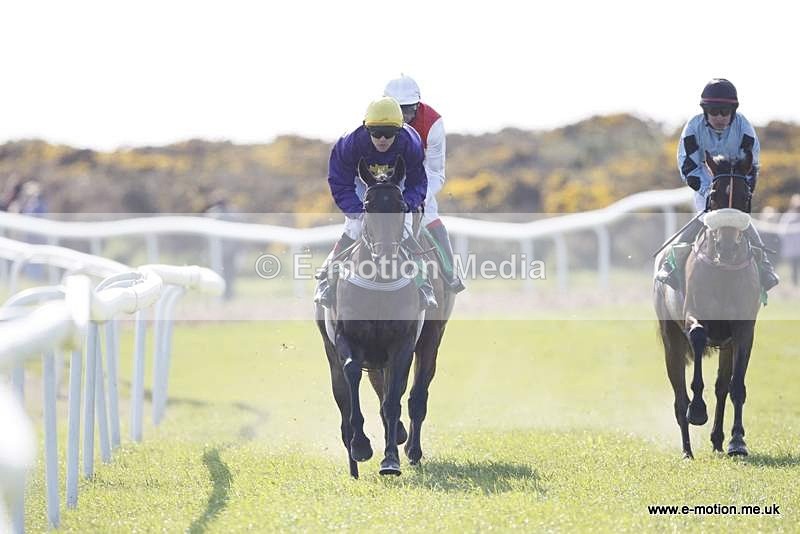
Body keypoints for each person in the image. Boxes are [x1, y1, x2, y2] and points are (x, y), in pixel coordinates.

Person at [314, 96, 437, 310]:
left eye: (389, 133)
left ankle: (423, 284)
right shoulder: (349, 144)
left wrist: (406, 204)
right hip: (362, 184)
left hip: (397, 186)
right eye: (375, 132)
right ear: (366, 129)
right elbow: (340, 182)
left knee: (406, 229)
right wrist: (357, 211)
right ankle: (327, 278)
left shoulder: (411, 142)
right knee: (353, 227)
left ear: (399, 131)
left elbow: (417, 181)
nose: (382, 139)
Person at [656, 78, 779, 291]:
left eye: (725, 111)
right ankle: (671, 264)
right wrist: (710, 190)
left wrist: (742, 191)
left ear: (733, 111)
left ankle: (765, 267)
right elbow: (687, 165)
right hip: (705, 183)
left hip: (737, 182)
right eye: (714, 111)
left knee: (741, 220)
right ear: (705, 111)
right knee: (705, 218)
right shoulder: (693, 127)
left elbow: (752, 165)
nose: (720, 117)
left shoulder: (744, 128)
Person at [384, 75, 465, 293]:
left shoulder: (433, 123)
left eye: (409, 109)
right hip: (384, 180)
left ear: (418, 104)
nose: (405, 116)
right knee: (358, 222)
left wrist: (419, 197)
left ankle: (449, 273)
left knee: (429, 214)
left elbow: (436, 172)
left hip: (419, 180)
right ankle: (332, 272)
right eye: (399, 110)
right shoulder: (376, 118)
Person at [779, 194, 800, 286]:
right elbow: (782, 231)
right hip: (792, 248)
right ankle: (794, 284)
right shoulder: (788, 217)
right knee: (793, 267)